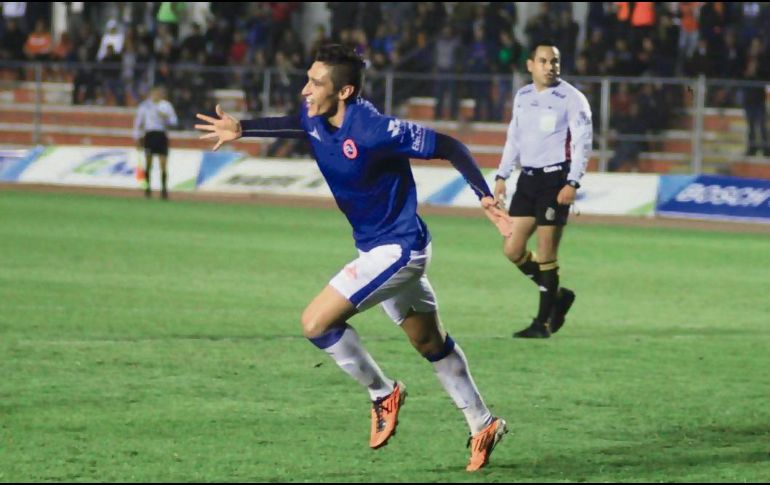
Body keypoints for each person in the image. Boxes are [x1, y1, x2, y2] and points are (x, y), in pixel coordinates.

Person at [195, 44, 511, 472]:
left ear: (344, 90)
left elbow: (450, 145)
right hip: (378, 247)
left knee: (316, 323)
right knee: (429, 343)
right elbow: (299, 125)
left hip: (400, 250)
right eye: (307, 78)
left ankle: (383, 393)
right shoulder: (316, 115)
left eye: (316, 82)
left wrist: (484, 195)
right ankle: (483, 423)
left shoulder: (375, 129)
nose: (306, 89)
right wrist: (244, 129)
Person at [494, 41, 592, 339]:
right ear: (530, 65)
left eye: (555, 61)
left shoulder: (572, 98)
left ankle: (542, 324)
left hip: (555, 180)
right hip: (528, 180)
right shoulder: (522, 96)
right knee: (512, 249)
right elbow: (514, 139)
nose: (550, 66)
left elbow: (583, 143)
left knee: (548, 252)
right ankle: (558, 295)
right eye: (544, 61)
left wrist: (572, 182)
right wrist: (502, 175)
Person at [133, 86, 178, 199]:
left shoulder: (166, 106)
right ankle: (148, 190)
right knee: (148, 164)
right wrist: (137, 138)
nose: (157, 95)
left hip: (161, 135)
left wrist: (166, 117)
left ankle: (164, 190)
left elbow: (174, 121)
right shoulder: (144, 106)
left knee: (163, 164)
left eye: (159, 93)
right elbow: (138, 123)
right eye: (155, 93)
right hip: (149, 135)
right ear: (151, 94)